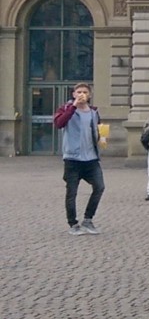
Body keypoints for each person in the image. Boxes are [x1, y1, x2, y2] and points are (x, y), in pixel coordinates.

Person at [52, 82, 105, 235]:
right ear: (74, 94)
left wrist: (101, 137)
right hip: (72, 158)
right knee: (72, 192)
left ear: (89, 95)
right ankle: (73, 223)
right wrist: (73, 106)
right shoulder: (66, 109)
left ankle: (88, 219)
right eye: (79, 92)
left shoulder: (94, 112)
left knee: (99, 187)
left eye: (85, 92)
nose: (82, 94)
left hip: (91, 158)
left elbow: (97, 128)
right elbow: (59, 124)